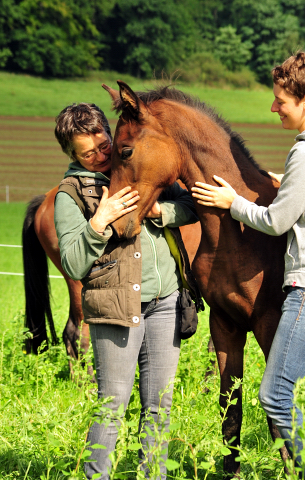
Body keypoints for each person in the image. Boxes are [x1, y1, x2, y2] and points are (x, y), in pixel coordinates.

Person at [191, 50, 305, 478]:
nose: (273, 107)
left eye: (282, 99)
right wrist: (290, 184)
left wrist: (232, 202)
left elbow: (277, 223)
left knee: (276, 396)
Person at [53, 102, 199, 479]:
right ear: (71, 154)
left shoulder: (137, 164)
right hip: (116, 309)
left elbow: (188, 203)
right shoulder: (71, 195)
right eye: (88, 154)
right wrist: (98, 222)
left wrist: (159, 213)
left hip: (165, 302)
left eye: (104, 145)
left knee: (158, 406)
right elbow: (71, 263)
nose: (101, 155)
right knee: (113, 405)